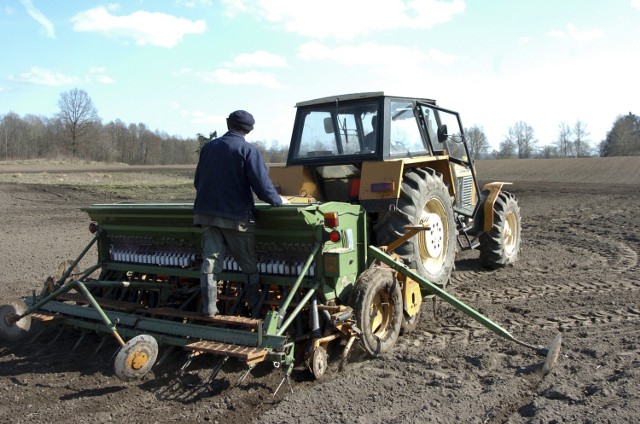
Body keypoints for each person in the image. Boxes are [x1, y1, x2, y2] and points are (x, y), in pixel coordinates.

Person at [193, 110, 289, 317]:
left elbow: (197, 181)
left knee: (210, 261)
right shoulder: (247, 150)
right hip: (236, 217)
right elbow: (262, 185)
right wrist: (278, 201)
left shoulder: (208, 148)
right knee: (248, 263)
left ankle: (209, 308)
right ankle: (253, 306)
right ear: (250, 129)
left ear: (228, 124)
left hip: (206, 215)